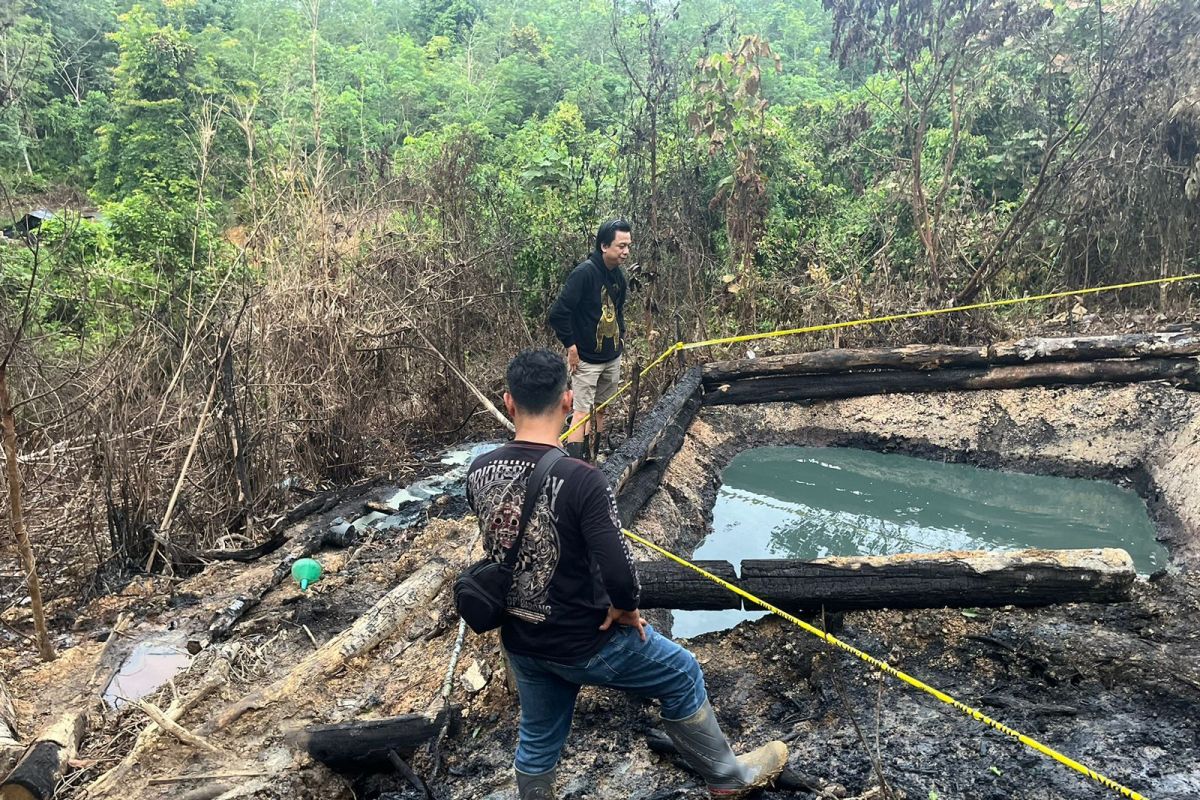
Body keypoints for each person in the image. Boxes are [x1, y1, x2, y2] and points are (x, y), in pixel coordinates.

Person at [466, 348, 788, 800]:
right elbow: (618, 566)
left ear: (508, 403)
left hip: (522, 639)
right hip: (585, 638)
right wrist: (626, 607)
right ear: (566, 402)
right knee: (681, 671)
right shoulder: (583, 479)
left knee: (538, 737)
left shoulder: (479, 471)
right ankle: (727, 778)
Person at [547, 219, 631, 460]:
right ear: (604, 246)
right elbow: (558, 314)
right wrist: (571, 347)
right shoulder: (584, 274)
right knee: (582, 412)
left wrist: (621, 337)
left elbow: (618, 310)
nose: (625, 252)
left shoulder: (618, 277)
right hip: (586, 359)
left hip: (611, 356)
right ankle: (575, 461)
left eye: (628, 246)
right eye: (621, 246)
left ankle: (593, 456)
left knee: (602, 408)